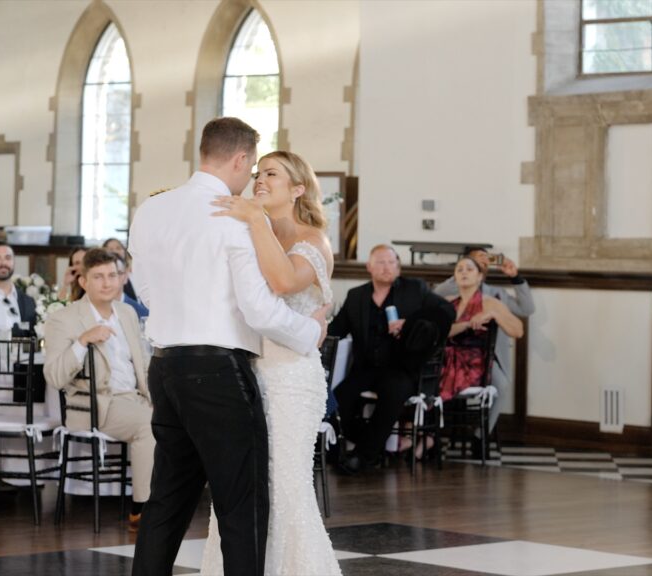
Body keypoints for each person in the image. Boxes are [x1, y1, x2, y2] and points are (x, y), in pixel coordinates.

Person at [129, 117, 327, 576]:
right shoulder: (233, 214)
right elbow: (258, 311)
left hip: (165, 366)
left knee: (167, 499)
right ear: (239, 159)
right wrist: (310, 333)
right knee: (241, 502)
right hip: (217, 372)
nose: (252, 176)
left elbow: (145, 291)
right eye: (253, 166)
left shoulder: (151, 210)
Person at [199, 150, 341, 575]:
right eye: (258, 173)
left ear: (298, 189)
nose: (260, 180)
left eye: (272, 174)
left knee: (285, 485)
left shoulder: (312, 241)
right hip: (247, 373)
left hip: (292, 379)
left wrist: (255, 219)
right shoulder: (252, 233)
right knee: (240, 484)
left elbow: (281, 282)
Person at [43, 248, 154, 532]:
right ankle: (141, 509)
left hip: (135, 398)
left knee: (181, 419)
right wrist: (82, 342)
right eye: (99, 277)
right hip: (94, 405)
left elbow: (141, 362)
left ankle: (170, 504)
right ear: (84, 282)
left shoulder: (127, 313)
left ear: (122, 278)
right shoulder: (64, 319)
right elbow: (54, 376)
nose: (107, 283)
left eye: (113, 276)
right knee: (150, 425)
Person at [328, 244, 455, 474]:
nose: (387, 268)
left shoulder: (415, 289)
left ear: (398, 267)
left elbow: (446, 311)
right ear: (369, 266)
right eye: (381, 262)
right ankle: (371, 444)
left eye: (392, 262)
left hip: (401, 367)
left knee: (392, 395)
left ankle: (364, 457)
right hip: (366, 368)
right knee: (339, 401)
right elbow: (337, 329)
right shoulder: (356, 296)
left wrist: (410, 322)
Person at [434, 248, 534, 438]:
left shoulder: (495, 295)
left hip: (485, 355)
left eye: (483, 259)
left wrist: (515, 277)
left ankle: (480, 435)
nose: (465, 271)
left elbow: (526, 309)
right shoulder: (450, 295)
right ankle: (430, 436)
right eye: (462, 267)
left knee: (501, 385)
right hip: (451, 354)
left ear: (481, 274)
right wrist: (466, 265)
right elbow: (438, 293)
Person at [439, 256, 523, 402]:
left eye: (469, 269)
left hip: (477, 358)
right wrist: (466, 324)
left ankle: (484, 425)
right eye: (459, 270)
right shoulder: (448, 302)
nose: (464, 273)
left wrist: (493, 314)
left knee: (501, 385)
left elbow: (518, 331)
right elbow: (439, 332)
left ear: (479, 277)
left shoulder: (490, 302)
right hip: (446, 357)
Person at [113, 253, 148, 319]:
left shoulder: (142, 313)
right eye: (100, 276)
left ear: (126, 276)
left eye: (118, 273)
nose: (109, 280)